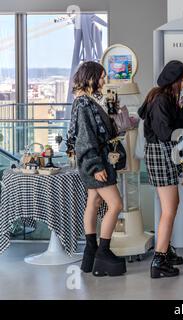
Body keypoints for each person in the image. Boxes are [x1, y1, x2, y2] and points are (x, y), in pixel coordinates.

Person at [71, 61, 126, 277]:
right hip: (96, 162)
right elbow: (84, 139)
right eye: (102, 77)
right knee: (116, 204)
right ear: (91, 77)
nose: (104, 81)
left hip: (96, 160)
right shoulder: (84, 103)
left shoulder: (87, 100)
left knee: (93, 202)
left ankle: (91, 251)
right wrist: (95, 167)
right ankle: (103, 251)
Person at [137, 60, 183, 279]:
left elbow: (175, 126)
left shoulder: (165, 98)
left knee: (171, 206)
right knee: (170, 208)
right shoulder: (160, 100)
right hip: (161, 155)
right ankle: (159, 260)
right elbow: (165, 133)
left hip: (162, 154)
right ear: (175, 80)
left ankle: (164, 250)